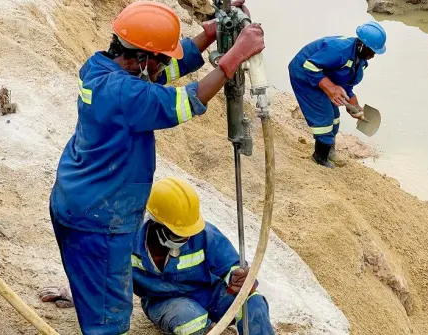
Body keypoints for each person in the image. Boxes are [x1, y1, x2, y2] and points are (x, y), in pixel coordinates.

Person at [41, 1, 265, 334]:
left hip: (78, 199)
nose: (162, 70)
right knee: (109, 321)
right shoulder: (125, 94)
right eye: (158, 60)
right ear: (143, 60)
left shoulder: (101, 68)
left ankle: (88, 296)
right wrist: (234, 58)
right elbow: (187, 100)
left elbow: (166, 71)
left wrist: (212, 31)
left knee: (94, 283)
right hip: (100, 217)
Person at [132, 177, 275, 335]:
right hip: (164, 301)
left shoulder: (205, 235)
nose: (187, 238)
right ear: (156, 224)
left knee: (252, 302)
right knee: (189, 320)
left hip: (210, 294)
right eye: (179, 235)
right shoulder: (130, 244)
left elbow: (232, 264)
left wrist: (238, 278)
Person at [288, 21, 387, 168]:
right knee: (324, 118)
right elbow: (309, 66)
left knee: (335, 117)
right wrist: (330, 87)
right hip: (304, 75)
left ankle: (329, 152)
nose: (373, 55)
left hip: (322, 76)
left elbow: (345, 81)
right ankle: (319, 158)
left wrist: (352, 101)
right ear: (361, 45)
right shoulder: (339, 50)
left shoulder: (360, 60)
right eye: (372, 50)